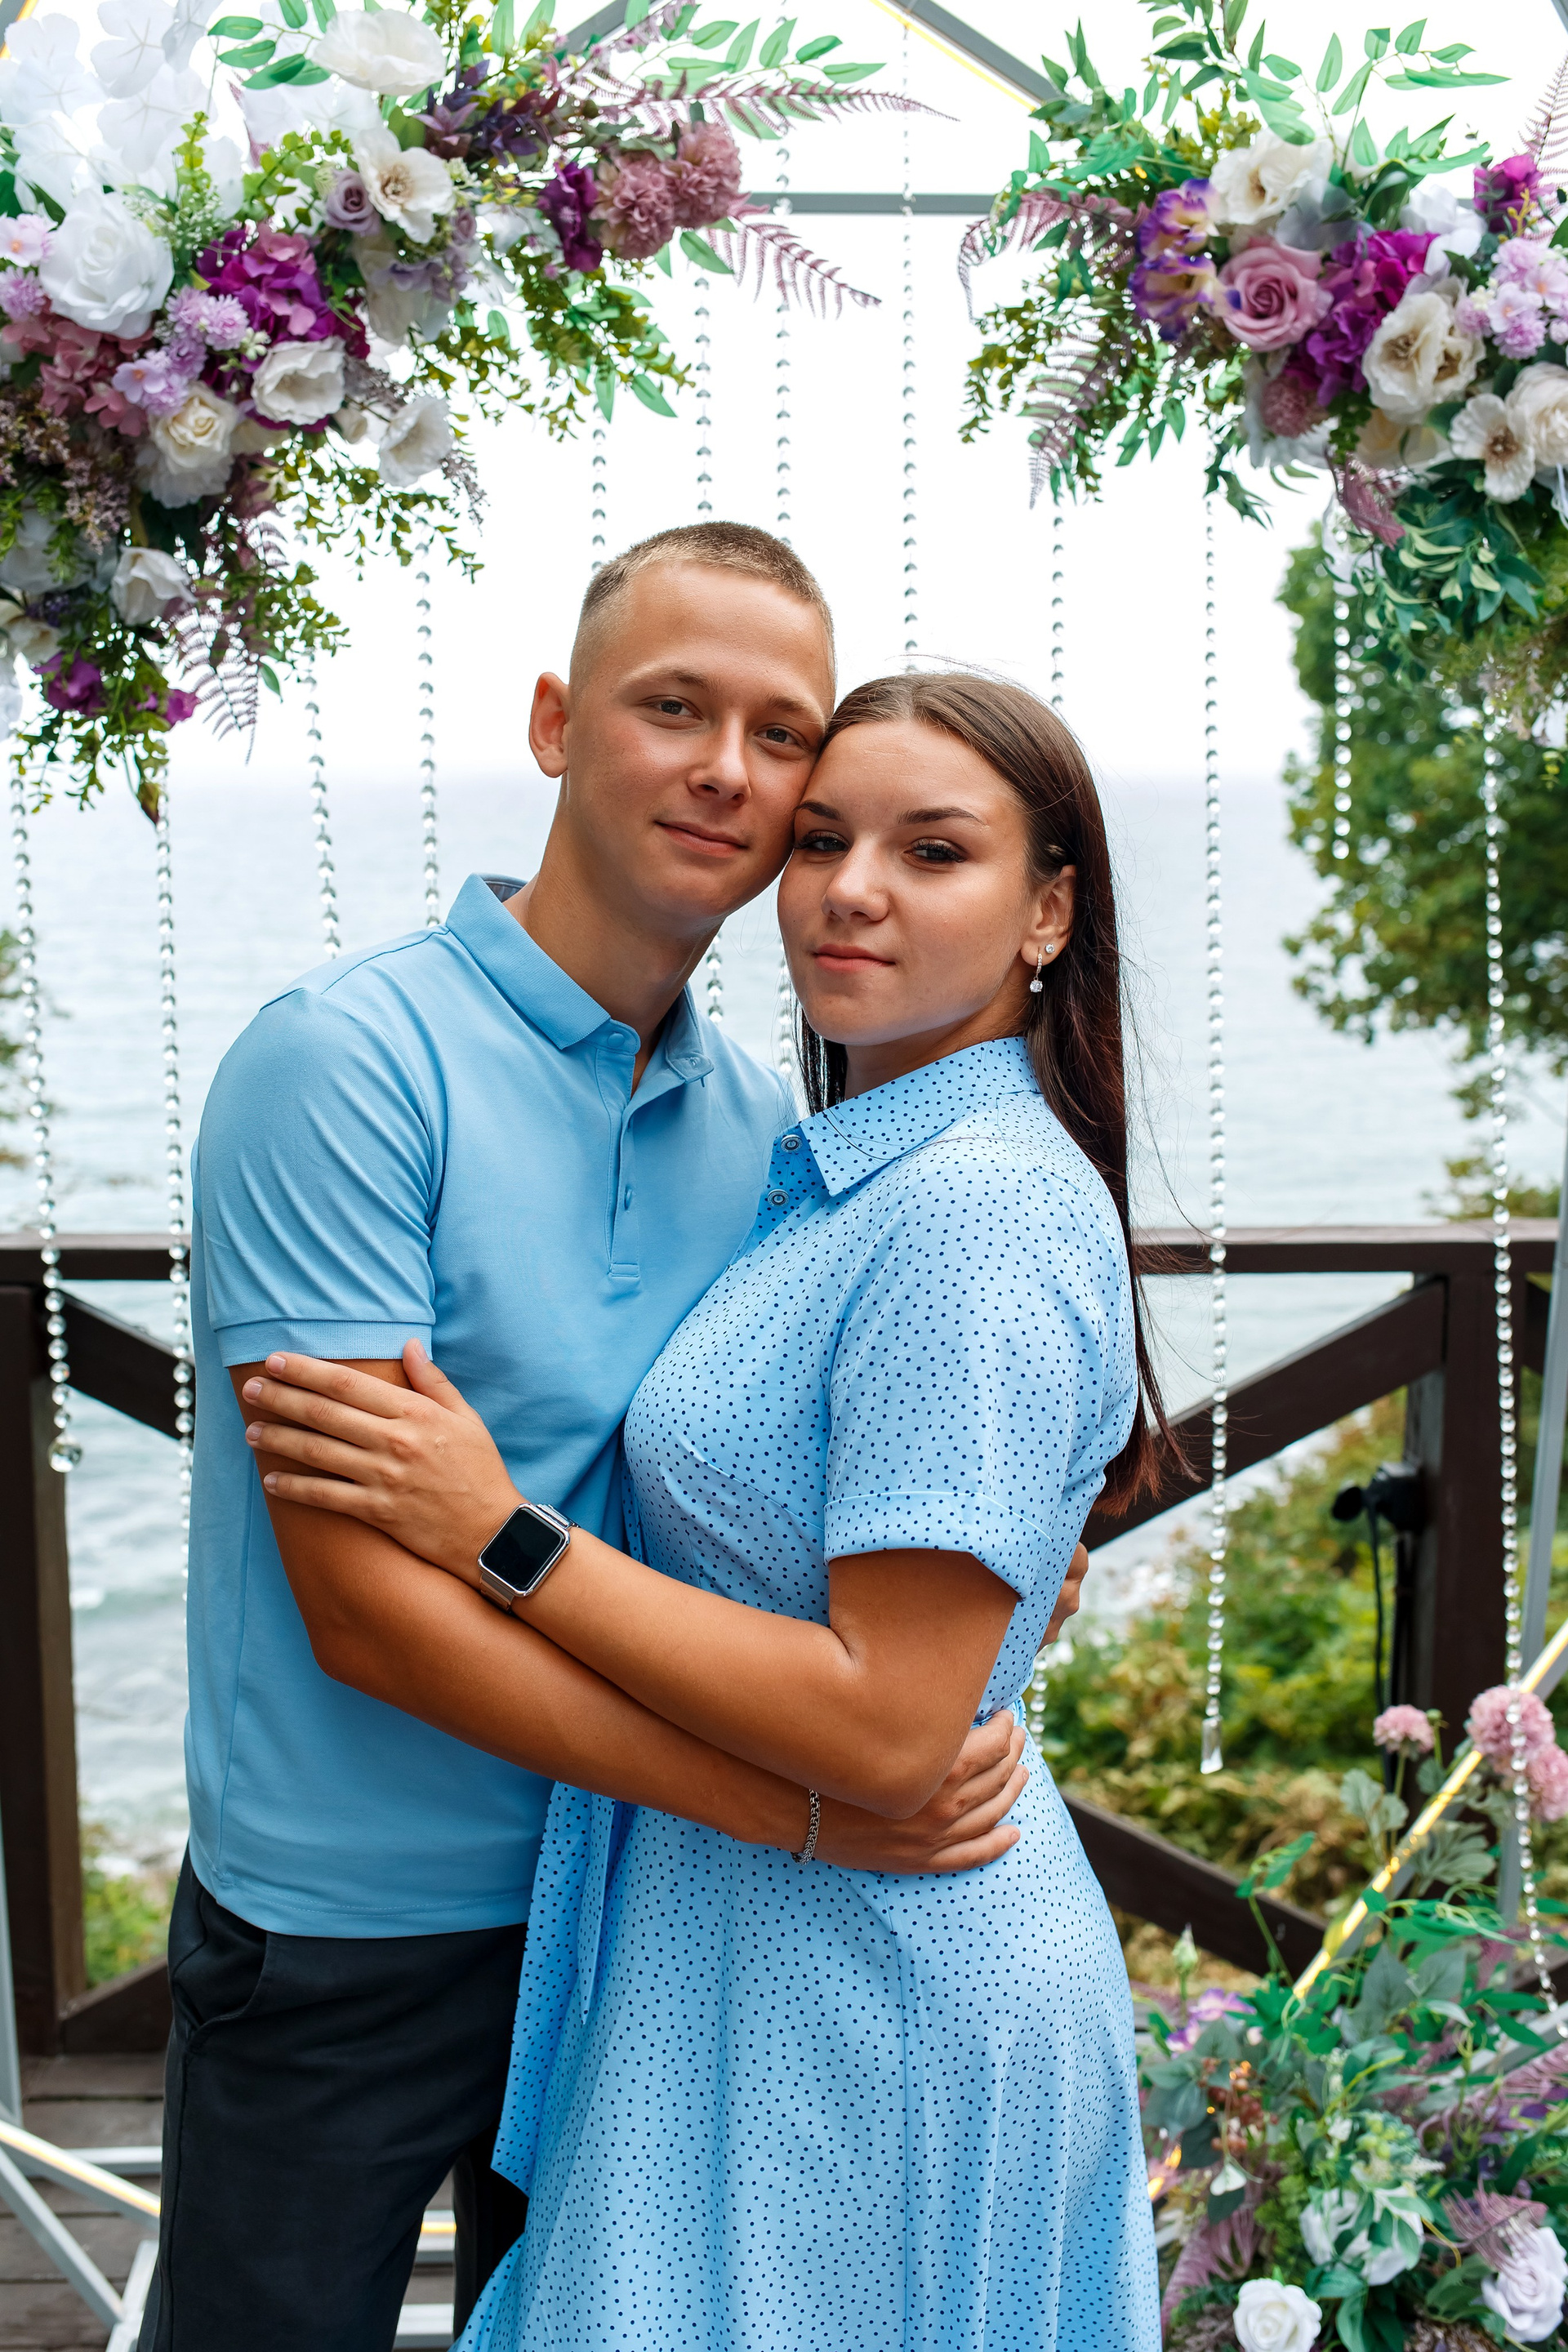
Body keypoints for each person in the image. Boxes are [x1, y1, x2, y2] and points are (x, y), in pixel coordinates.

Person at [145, 529, 1049, 2352]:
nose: (726, 769)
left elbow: (806, 1471)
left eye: (779, 735)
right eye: (673, 708)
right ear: (558, 724)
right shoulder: (345, 1066)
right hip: (349, 1928)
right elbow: (365, 1613)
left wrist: (1005, 1567)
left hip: (643, 1917)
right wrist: (805, 1811)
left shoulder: (762, 1126)